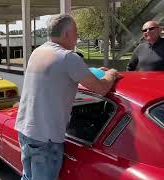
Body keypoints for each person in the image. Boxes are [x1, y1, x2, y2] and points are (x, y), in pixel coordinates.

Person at [14, 14, 120, 180]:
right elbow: (100, 89)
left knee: (28, 177)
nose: (77, 38)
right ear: (66, 34)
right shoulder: (68, 57)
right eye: (76, 33)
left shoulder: (38, 52)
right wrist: (112, 74)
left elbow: (59, 76)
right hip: (45, 138)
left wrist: (92, 71)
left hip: (25, 131)